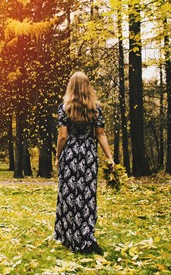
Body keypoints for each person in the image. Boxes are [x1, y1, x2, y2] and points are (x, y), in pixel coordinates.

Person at [54, 71, 115, 255]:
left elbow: (63, 136)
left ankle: (69, 236)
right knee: (87, 195)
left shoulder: (64, 108)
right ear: (87, 86)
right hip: (88, 155)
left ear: (71, 86)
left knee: (69, 195)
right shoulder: (95, 108)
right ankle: (87, 237)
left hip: (71, 154)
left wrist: (58, 156)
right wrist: (109, 157)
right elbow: (101, 134)